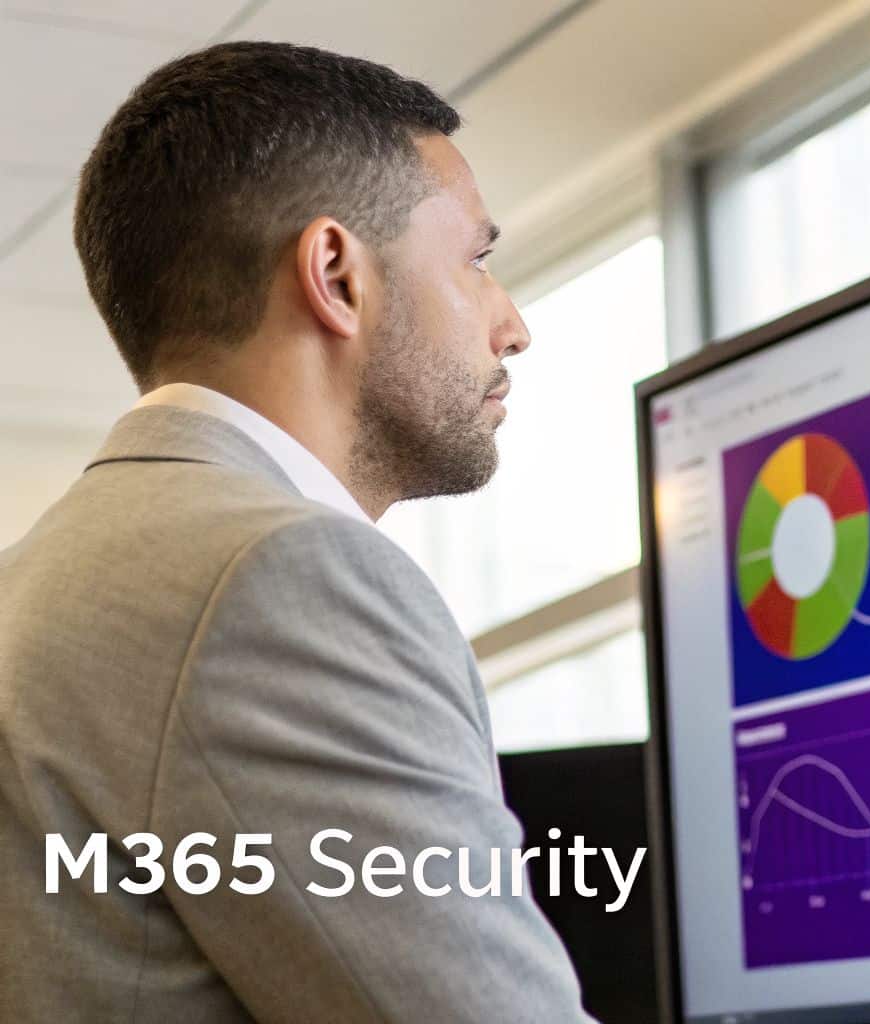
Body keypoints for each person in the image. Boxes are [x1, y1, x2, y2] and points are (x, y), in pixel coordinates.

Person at [0, 42, 595, 1022]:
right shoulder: (279, 576)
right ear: (334, 273)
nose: (512, 322)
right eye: (478, 260)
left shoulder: (35, 580)